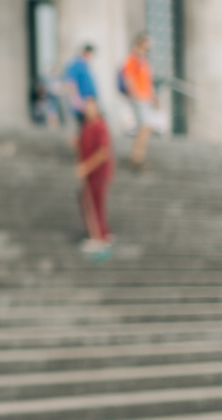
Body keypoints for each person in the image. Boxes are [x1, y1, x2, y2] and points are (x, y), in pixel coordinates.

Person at [75, 97, 114, 260]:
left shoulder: (100, 125)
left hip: (98, 173)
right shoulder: (86, 126)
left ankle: (100, 237)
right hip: (89, 175)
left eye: (91, 107)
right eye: (86, 108)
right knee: (87, 202)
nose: (88, 110)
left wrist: (86, 167)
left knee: (96, 205)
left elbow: (103, 152)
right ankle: (95, 234)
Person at [121, 33, 159, 170]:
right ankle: (137, 158)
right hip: (138, 98)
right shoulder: (133, 59)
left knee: (145, 127)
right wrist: (135, 94)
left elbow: (149, 82)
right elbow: (128, 77)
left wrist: (154, 98)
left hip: (146, 98)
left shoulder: (144, 61)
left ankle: (138, 156)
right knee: (145, 126)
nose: (148, 46)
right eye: (146, 43)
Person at [64, 43, 98, 124]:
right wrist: (78, 103)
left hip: (89, 105)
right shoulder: (76, 65)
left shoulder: (85, 66)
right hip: (82, 106)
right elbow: (71, 85)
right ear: (87, 52)